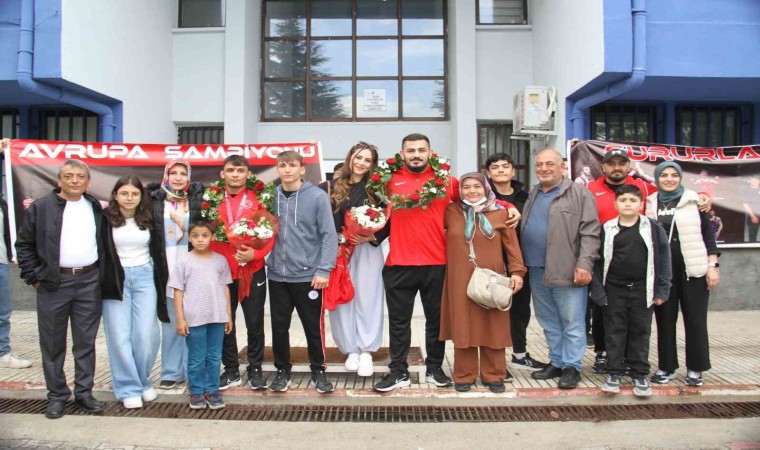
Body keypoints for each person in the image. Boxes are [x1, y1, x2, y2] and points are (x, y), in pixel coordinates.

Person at [15, 160, 105, 419]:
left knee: (85, 343)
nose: (74, 180)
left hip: (89, 282)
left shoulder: (95, 207)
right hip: (53, 284)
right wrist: (35, 278)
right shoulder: (41, 207)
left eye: (80, 176)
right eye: (68, 176)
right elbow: (24, 245)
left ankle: (84, 393)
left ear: (88, 181)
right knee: (53, 343)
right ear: (59, 180)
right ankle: (57, 396)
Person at [440, 172, 526, 393]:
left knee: (493, 324)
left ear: (486, 189)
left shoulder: (500, 212)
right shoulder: (451, 211)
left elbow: (512, 246)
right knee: (464, 324)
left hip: (492, 277)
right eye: (466, 187)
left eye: (477, 186)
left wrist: (517, 272)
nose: (472, 191)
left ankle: (494, 375)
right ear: (460, 191)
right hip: (459, 277)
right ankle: (464, 375)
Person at [521, 148, 600, 389]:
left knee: (571, 320)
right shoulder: (533, 193)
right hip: (536, 268)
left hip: (568, 269)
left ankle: (572, 366)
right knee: (548, 319)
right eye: (539, 164)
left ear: (562, 167)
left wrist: (584, 263)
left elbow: (590, 232)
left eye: (549, 164)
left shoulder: (580, 194)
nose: (544, 168)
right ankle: (556, 361)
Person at [267, 150, 338, 394]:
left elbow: (329, 235)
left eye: (292, 165)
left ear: (302, 169)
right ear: (277, 169)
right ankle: (282, 371)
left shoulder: (317, 197)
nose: (287, 170)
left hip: (309, 276)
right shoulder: (270, 196)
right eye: (282, 165)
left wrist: (324, 269)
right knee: (279, 327)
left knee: (312, 327)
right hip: (277, 275)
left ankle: (319, 370)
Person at [590, 184, 671, 397]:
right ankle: (614, 372)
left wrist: (662, 290)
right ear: (615, 204)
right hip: (613, 289)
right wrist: (598, 292)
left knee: (640, 332)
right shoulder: (606, 229)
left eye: (633, 200)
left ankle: (639, 374)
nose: (628, 204)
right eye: (623, 200)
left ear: (641, 204)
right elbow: (595, 262)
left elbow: (664, 259)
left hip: (643, 289)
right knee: (614, 332)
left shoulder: (653, 229)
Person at [645, 161, 720, 387]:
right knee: (665, 321)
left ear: (680, 178)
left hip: (693, 270)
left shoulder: (694, 200)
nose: (669, 179)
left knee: (696, 321)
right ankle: (666, 367)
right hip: (663, 272)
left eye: (674, 175)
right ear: (657, 178)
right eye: (664, 175)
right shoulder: (650, 201)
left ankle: (696, 369)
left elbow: (709, 236)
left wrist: (712, 266)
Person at [206, 155, 274, 391]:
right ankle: (231, 370)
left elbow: (270, 232)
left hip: (252, 269)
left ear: (248, 174)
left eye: (240, 170)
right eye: (230, 170)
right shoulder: (212, 199)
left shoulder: (259, 198)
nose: (235, 174)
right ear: (222, 174)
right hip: (222, 271)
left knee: (255, 322)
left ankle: (255, 369)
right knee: (226, 321)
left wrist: (255, 254)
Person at [323, 142, 387, 377]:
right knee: (342, 297)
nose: (361, 163)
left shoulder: (377, 190)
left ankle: (366, 350)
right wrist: (337, 239)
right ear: (350, 157)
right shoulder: (329, 187)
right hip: (340, 251)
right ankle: (350, 349)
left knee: (369, 298)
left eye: (367, 160)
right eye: (358, 157)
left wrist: (372, 235)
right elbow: (322, 221)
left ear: (373, 165)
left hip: (367, 249)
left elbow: (390, 220)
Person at [101, 176, 161, 409]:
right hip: (117, 279)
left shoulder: (147, 218)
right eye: (124, 193)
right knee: (119, 335)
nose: (129, 198)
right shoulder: (105, 219)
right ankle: (128, 388)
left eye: (134, 194)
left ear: (141, 196)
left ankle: (143, 380)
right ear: (115, 195)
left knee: (146, 334)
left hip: (145, 277)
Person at [485, 153, 547, 372]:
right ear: (488, 173)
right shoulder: (483, 198)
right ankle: (494, 359)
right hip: (491, 262)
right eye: (495, 167)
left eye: (505, 166)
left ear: (513, 171)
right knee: (493, 310)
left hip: (521, 261)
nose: (501, 170)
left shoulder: (528, 198)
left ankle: (519, 354)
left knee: (520, 309)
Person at [148, 161, 204, 389]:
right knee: (171, 322)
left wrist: (185, 222)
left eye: (183, 173)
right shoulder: (154, 201)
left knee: (195, 323)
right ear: (166, 175)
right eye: (174, 173)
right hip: (167, 267)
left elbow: (205, 227)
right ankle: (171, 371)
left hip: (193, 267)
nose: (178, 178)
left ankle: (194, 370)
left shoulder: (197, 199)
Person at [169, 220, 233, 410]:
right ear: (189, 238)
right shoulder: (184, 261)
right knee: (197, 357)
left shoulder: (220, 261)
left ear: (213, 237)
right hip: (194, 318)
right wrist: (180, 318)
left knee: (214, 356)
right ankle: (196, 391)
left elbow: (225, 288)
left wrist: (228, 316)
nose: (200, 240)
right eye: (195, 236)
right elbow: (178, 291)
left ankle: (212, 390)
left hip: (217, 317)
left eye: (205, 236)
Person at [1, 194, 32, 369]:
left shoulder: (2, 203)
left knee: (2, 313)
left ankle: (2, 353)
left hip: (1, 263)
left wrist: (13, 254)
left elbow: (8, 232)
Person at [740, 176, 760, 242]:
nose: (754, 182)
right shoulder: (747, 191)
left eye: (756, 180)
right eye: (752, 180)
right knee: (752, 236)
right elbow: (745, 204)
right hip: (754, 214)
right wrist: (752, 215)